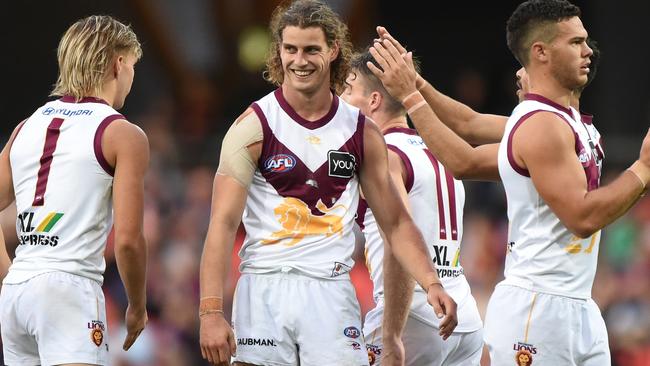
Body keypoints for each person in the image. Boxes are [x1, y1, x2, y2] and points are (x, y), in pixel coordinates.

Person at [367, 0, 650, 364]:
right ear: (540, 53)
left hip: (578, 303)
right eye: (576, 42)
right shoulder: (538, 125)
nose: (588, 50)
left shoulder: (574, 125)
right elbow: (581, 218)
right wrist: (641, 170)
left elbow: (467, 134)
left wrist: (416, 85)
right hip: (538, 307)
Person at [198, 1, 458, 365]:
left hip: (332, 291)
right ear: (279, 51)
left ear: (333, 50)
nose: (299, 61)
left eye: (310, 50)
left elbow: (396, 222)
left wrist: (432, 282)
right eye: (290, 49)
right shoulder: (253, 126)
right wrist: (210, 312)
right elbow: (222, 226)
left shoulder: (360, 131)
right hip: (264, 288)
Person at [0, 15, 149, 365]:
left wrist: (6, 270)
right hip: (69, 288)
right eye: (132, 66)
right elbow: (128, 240)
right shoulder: (122, 133)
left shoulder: (26, 126)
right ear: (119, 63)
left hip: (18, 293)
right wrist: (138, 307)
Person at [342, 50, 483, 366]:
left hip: (413, 316)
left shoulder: (386, 157)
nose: (340, 99)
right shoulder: (439, 151)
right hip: (463, 315)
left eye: (348, 90)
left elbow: (397, 240)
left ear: (374, 101)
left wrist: (391, 333)